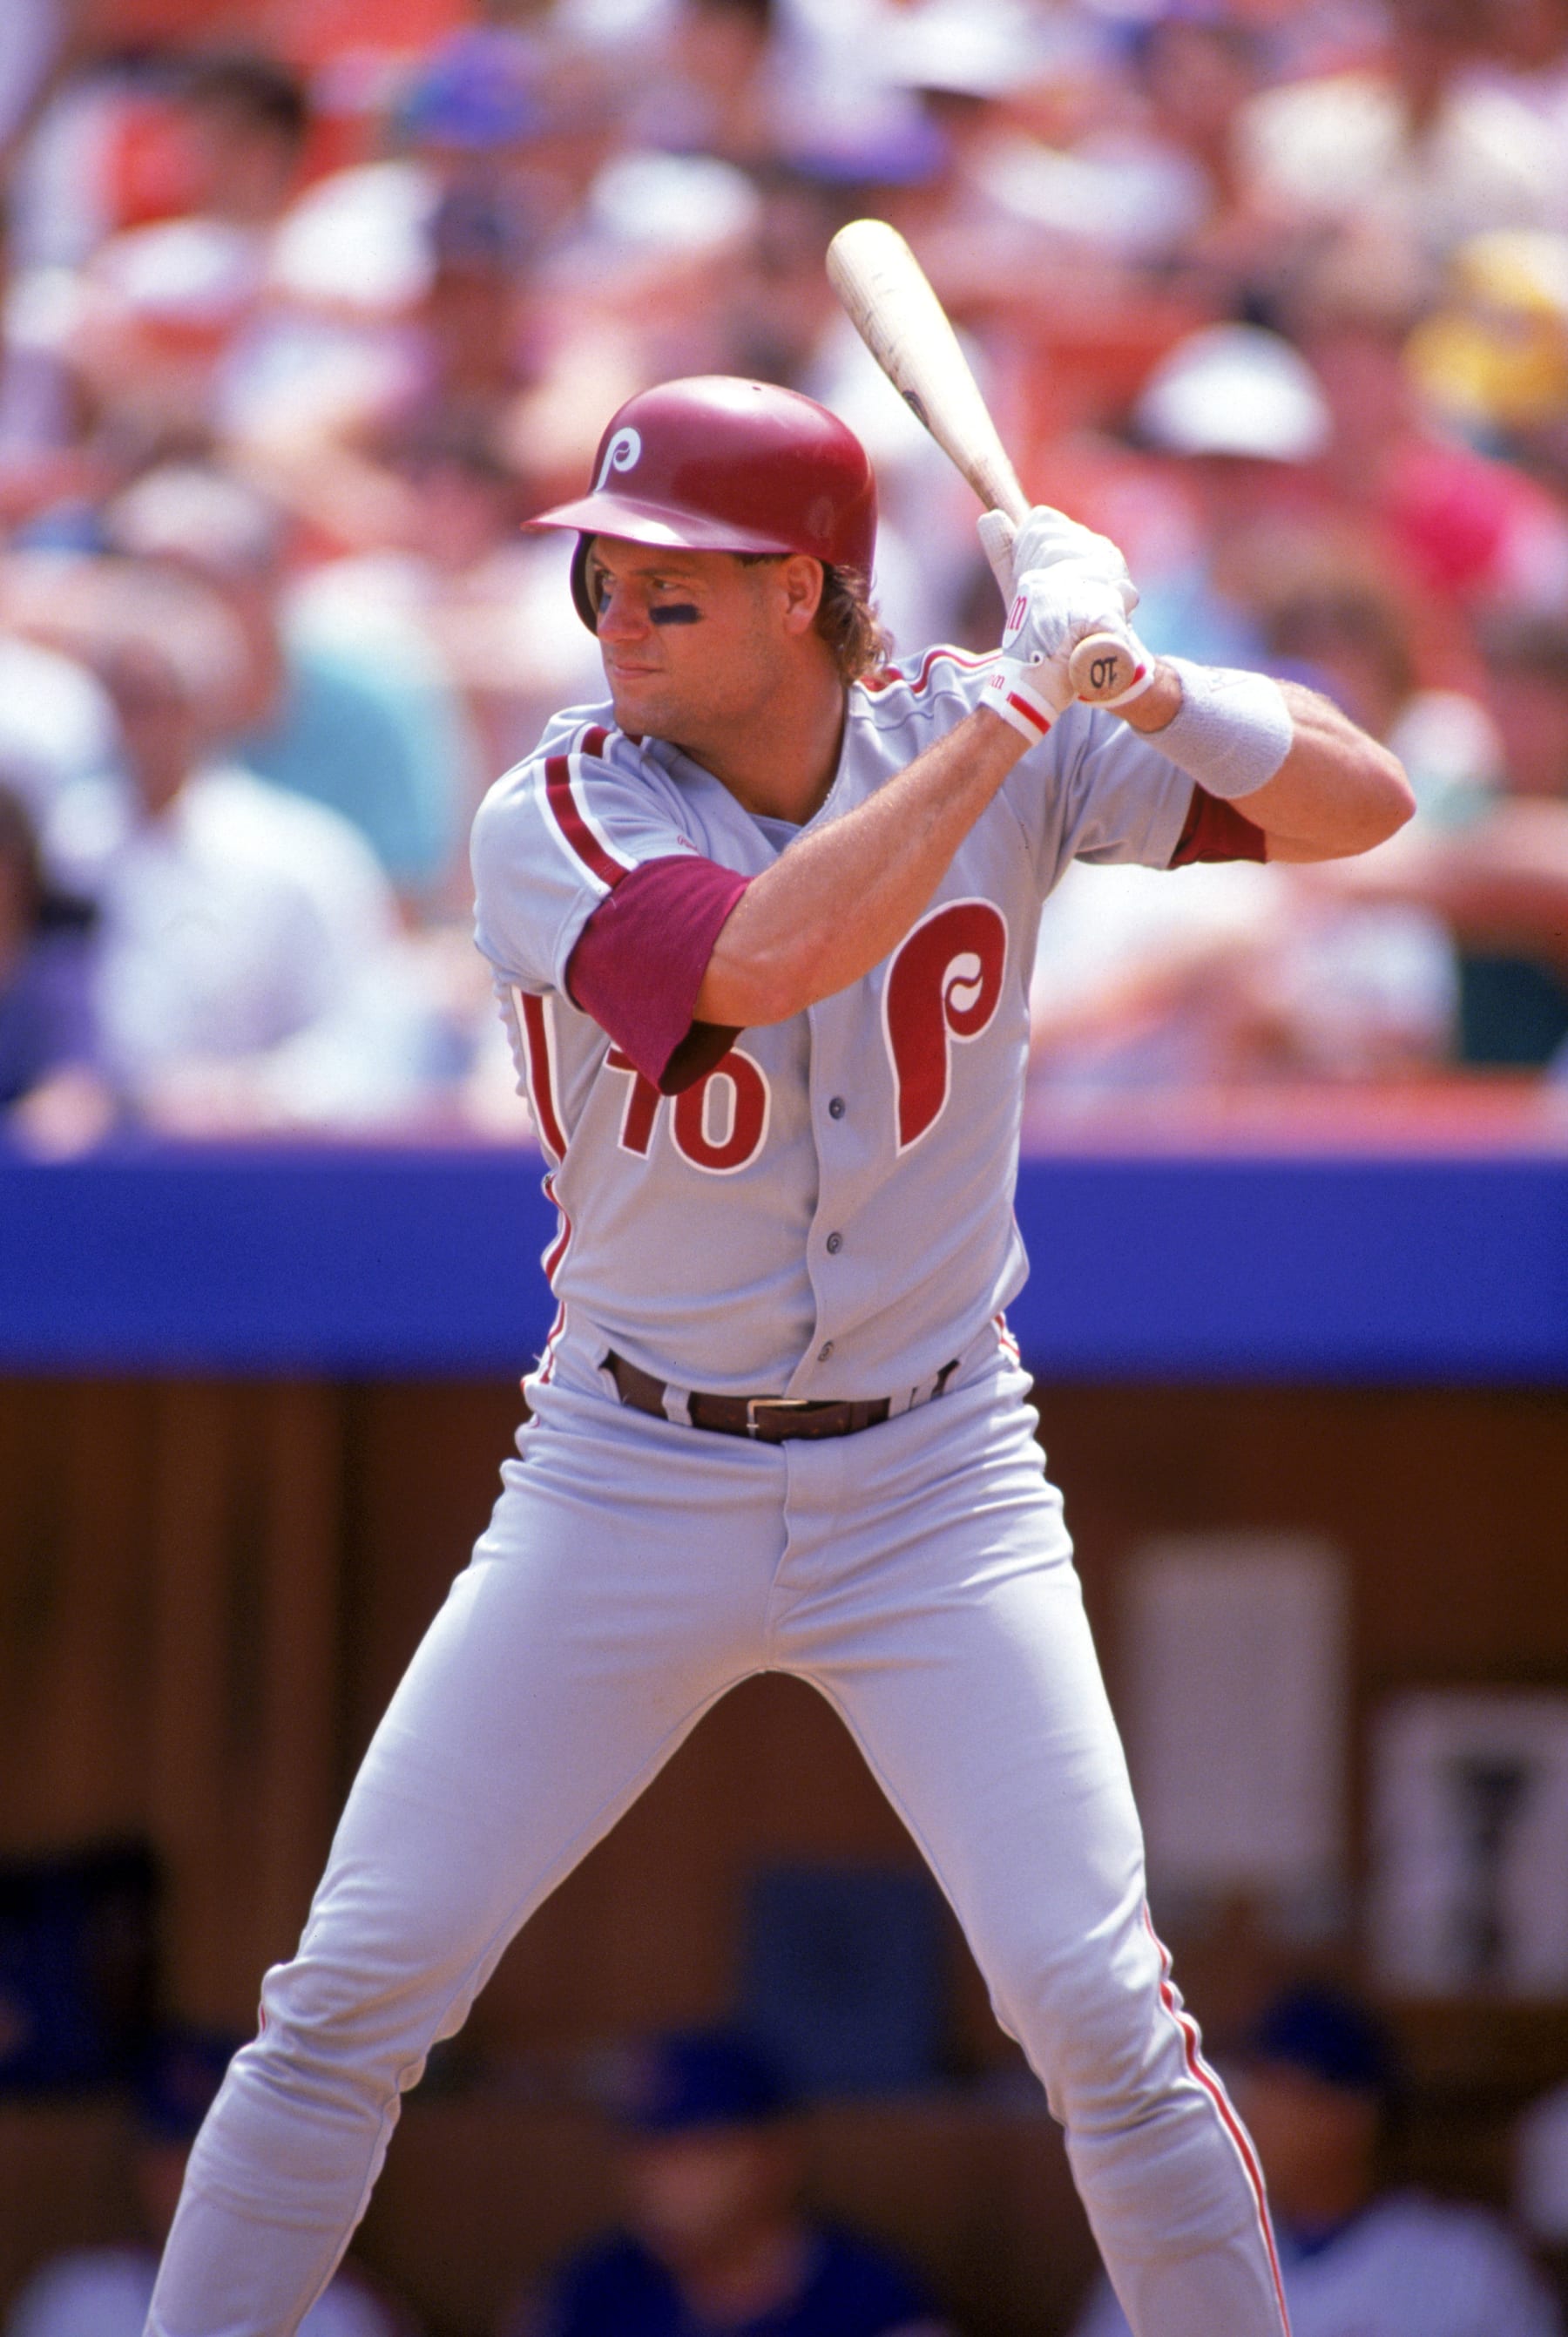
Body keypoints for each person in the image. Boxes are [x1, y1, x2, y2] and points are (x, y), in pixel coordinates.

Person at [145, 374, 1411, 2337]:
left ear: (810, 592)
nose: (619, 624)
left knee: (1102, 2013)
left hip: (938, 1475)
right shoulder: (558, 801)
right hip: (627, 1468)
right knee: (349, 1999)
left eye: (675, 588)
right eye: (607, 583)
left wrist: (1143, 679)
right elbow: (757, 958)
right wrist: (1019, 708)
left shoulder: (998, 739)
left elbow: (1364, 799)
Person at [1069, 1982, 1563, 2337]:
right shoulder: (1174, 2253)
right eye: (1248, 2092)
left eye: (1281, 2094)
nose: (1249, 2118)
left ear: (1352, 2116)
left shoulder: (1466, 2267)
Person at [506, 2028, 950, 2337]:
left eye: (697, 2154)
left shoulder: (871, 2301)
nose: (662, 2185)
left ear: (779, 2156)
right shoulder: (588, 2291)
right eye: (647, 2156)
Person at [3, 2029, 407, 2337]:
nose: (192, 2177)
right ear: (141, 2165)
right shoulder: (76, 2300)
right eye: (173, 2153)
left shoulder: (335, 2316)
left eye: (216, 2152)